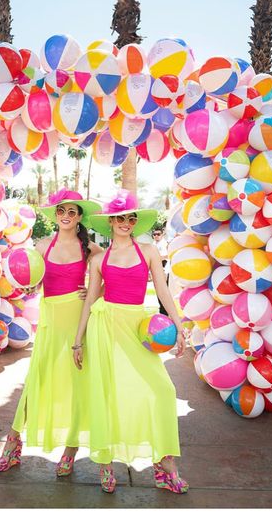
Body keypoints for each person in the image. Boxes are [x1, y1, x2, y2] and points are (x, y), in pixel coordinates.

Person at [72, 190, 188, 494]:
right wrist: (77, 340)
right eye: (120, 218)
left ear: (135, 222)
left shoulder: (148, 251)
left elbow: (163, 292)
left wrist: (179, 324)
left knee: (162, 390)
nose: (126, 222)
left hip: (137, 326)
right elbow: (91, 299)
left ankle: (166, 465)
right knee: (107, 394)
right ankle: (106, 463)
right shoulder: (100, 258)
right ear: (110, 222)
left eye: (131, 218)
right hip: (105, 325)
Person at [0, 188, 102, 476]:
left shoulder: (90, 248)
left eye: (72, 212)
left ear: (79, 217)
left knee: (77, 386)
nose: (66, 216)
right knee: (36, 381)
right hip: (51, 319)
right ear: (56, 215)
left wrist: (95, 289)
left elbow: (109, 274)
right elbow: (34, 281)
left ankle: (70, 450)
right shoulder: (42, 245)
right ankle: (13, 444)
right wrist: (30, 287)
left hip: (78, 319)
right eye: (61, 211)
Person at [151, 228, 169, 316]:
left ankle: (165, 311)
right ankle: (162, 310)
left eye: (158, 234)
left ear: (162, 234)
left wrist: (157, 258)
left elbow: (167, 256)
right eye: (154, 234)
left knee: (164, 290)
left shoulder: (165, 243)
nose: (156, 236)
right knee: (158, 291)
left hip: (164, 269)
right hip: (156, 269)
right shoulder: (154, 244)